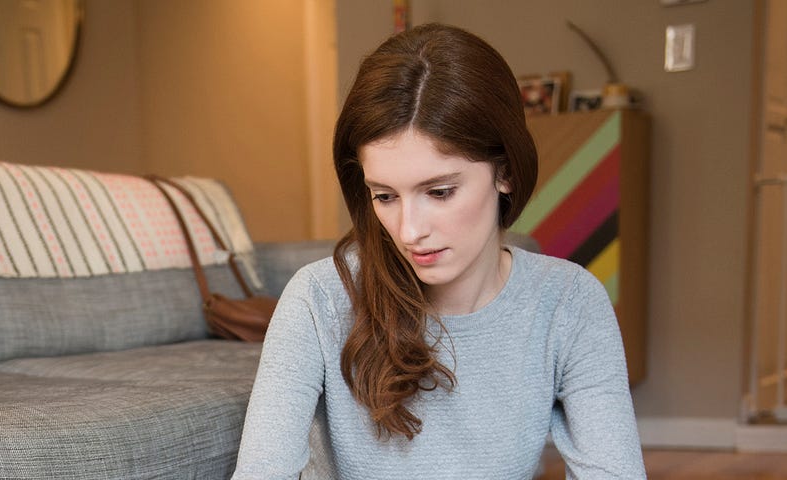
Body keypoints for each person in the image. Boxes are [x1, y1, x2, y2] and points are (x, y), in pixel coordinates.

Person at [232, 24, 644, 479]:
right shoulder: (319, 299)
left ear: (503, 173)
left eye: (440, 191)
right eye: (385, 196)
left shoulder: (569, 302)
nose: (409, 231)